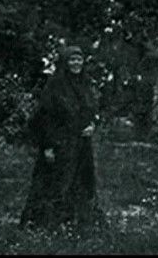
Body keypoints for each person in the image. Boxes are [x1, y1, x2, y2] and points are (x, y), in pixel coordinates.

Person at [20, 43, 103, 230]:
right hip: (60, 144)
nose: (76, 63)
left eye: (79, 59)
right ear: (65, 62)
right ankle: (47, 224)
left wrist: (92, 125)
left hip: (82, 145)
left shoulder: (85, 84)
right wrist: (48, 146)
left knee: (81, 184)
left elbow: (93, 110)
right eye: (72, 59)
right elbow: (43, 118)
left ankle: (77, 224)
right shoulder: (55, 86)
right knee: (56, 185)